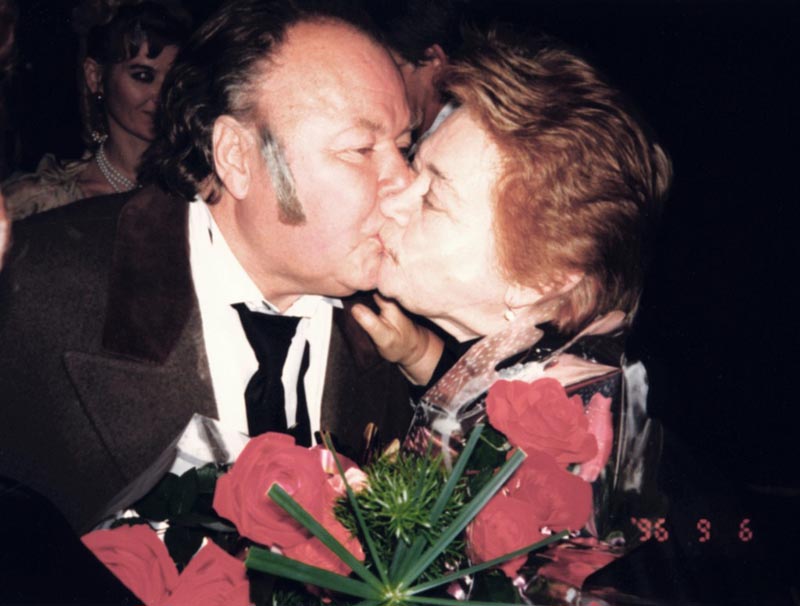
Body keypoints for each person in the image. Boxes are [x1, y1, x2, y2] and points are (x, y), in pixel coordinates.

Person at [0, 0, 415, 534]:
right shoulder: (33, 293)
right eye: (361, 149)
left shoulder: (407, 326)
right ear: (236, 157)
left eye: (404, 147)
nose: (408, 186)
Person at [354, 32, 672, 602]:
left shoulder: (560, 464)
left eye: (433, 198)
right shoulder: (541, 360)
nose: (392, 198)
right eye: (414, 163)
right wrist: (419, 356)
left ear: (540, 281)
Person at [1, 1, 189, 219]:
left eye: (174, 81)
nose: (161, 95)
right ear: (95, 77)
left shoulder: (201, 188)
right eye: (143, 76)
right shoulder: (41, 203)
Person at [366, 0, 463, 146]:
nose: (381, 84)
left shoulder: (458, 140)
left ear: (434, 59)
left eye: (394, 69)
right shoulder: (423, 138)